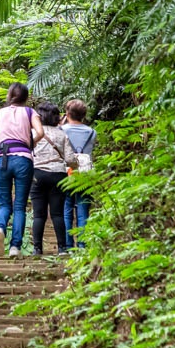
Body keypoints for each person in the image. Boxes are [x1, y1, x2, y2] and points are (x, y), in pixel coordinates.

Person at [0, 83, 44, 257]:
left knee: (4, 203)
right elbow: (40, 132)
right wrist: (30, 143)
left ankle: (0, 228)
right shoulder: (30, 112)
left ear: (9, 96)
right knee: (20, 205)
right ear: (26, 97)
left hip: (2, 160)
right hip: (23, 160)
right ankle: (15, 247)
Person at [30, 102, 78, 256]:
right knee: (57, 214)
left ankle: (37, 249)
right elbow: (70, 159)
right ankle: (62, 248)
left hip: (37, 174)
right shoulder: (61, 134)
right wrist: (75, 165)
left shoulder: (32, 133)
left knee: (38, 214)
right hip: (58, 175)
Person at [61, 99, 96, 250]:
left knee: (66, 207)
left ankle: (68, 244)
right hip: (85, 172)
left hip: (67, 171)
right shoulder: (92, 132)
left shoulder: (62, 130)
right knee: (83, 208)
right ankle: (82, 244)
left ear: (67, 113)